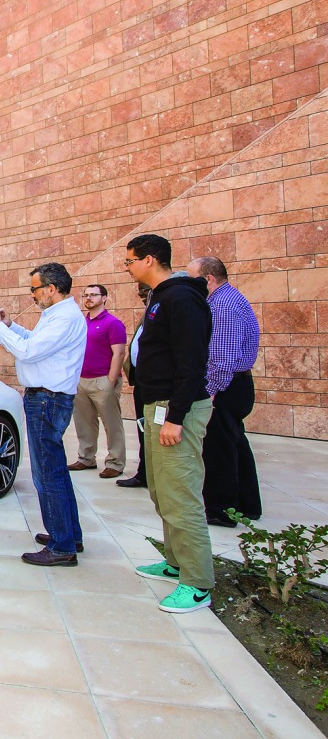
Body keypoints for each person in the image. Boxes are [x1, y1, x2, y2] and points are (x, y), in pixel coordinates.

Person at [125, 233, 215, 613]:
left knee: (181, 495)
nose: (127, 267)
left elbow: (191, 362)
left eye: (129, 261)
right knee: (162, 491)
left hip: (177, 409)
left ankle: (197, 584)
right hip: (157, 405)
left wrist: (175, 418)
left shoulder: (180, 298)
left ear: (149, 259)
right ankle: (176, 563)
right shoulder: (163, 296)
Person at [0, 262, 87, 567]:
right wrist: (11, 325)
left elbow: (28, 352)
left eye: (34, 289)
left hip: (47, 400)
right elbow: (34, 343)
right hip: (47, 398)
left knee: (47, 474)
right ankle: (68, 535)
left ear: (51, 289)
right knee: (55, 469)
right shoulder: (56, 316)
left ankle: (61, 546)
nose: (32, 295)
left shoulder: (65, 317)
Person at [187, 256, 261, 527]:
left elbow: (222, 358)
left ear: (208, 279)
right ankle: (247, 504)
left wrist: (211, 391)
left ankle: (222, 510)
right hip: (235, 383)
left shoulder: (223, 306)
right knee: (236, 444)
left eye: (192, 278)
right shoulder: (227, 299)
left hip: (227, 386)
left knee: (219, 450)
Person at [68, 284, 128, 479]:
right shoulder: (81, 323)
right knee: (84, 423)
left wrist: (110, 381)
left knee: (112, 424)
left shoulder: (113, 323)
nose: (88, 298)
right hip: (82, 380)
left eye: (93, 295)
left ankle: (115, 462)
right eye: (85, 295)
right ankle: (86, 458)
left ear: (104, 298)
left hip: (103, 380)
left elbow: (119, 353)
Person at [117, 282, 152, 489]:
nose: (142, 294)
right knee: (143, 429)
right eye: (139, 290)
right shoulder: (148, 311)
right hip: (142, 381)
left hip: (156, 384)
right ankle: (145, 473)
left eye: (146, 290)